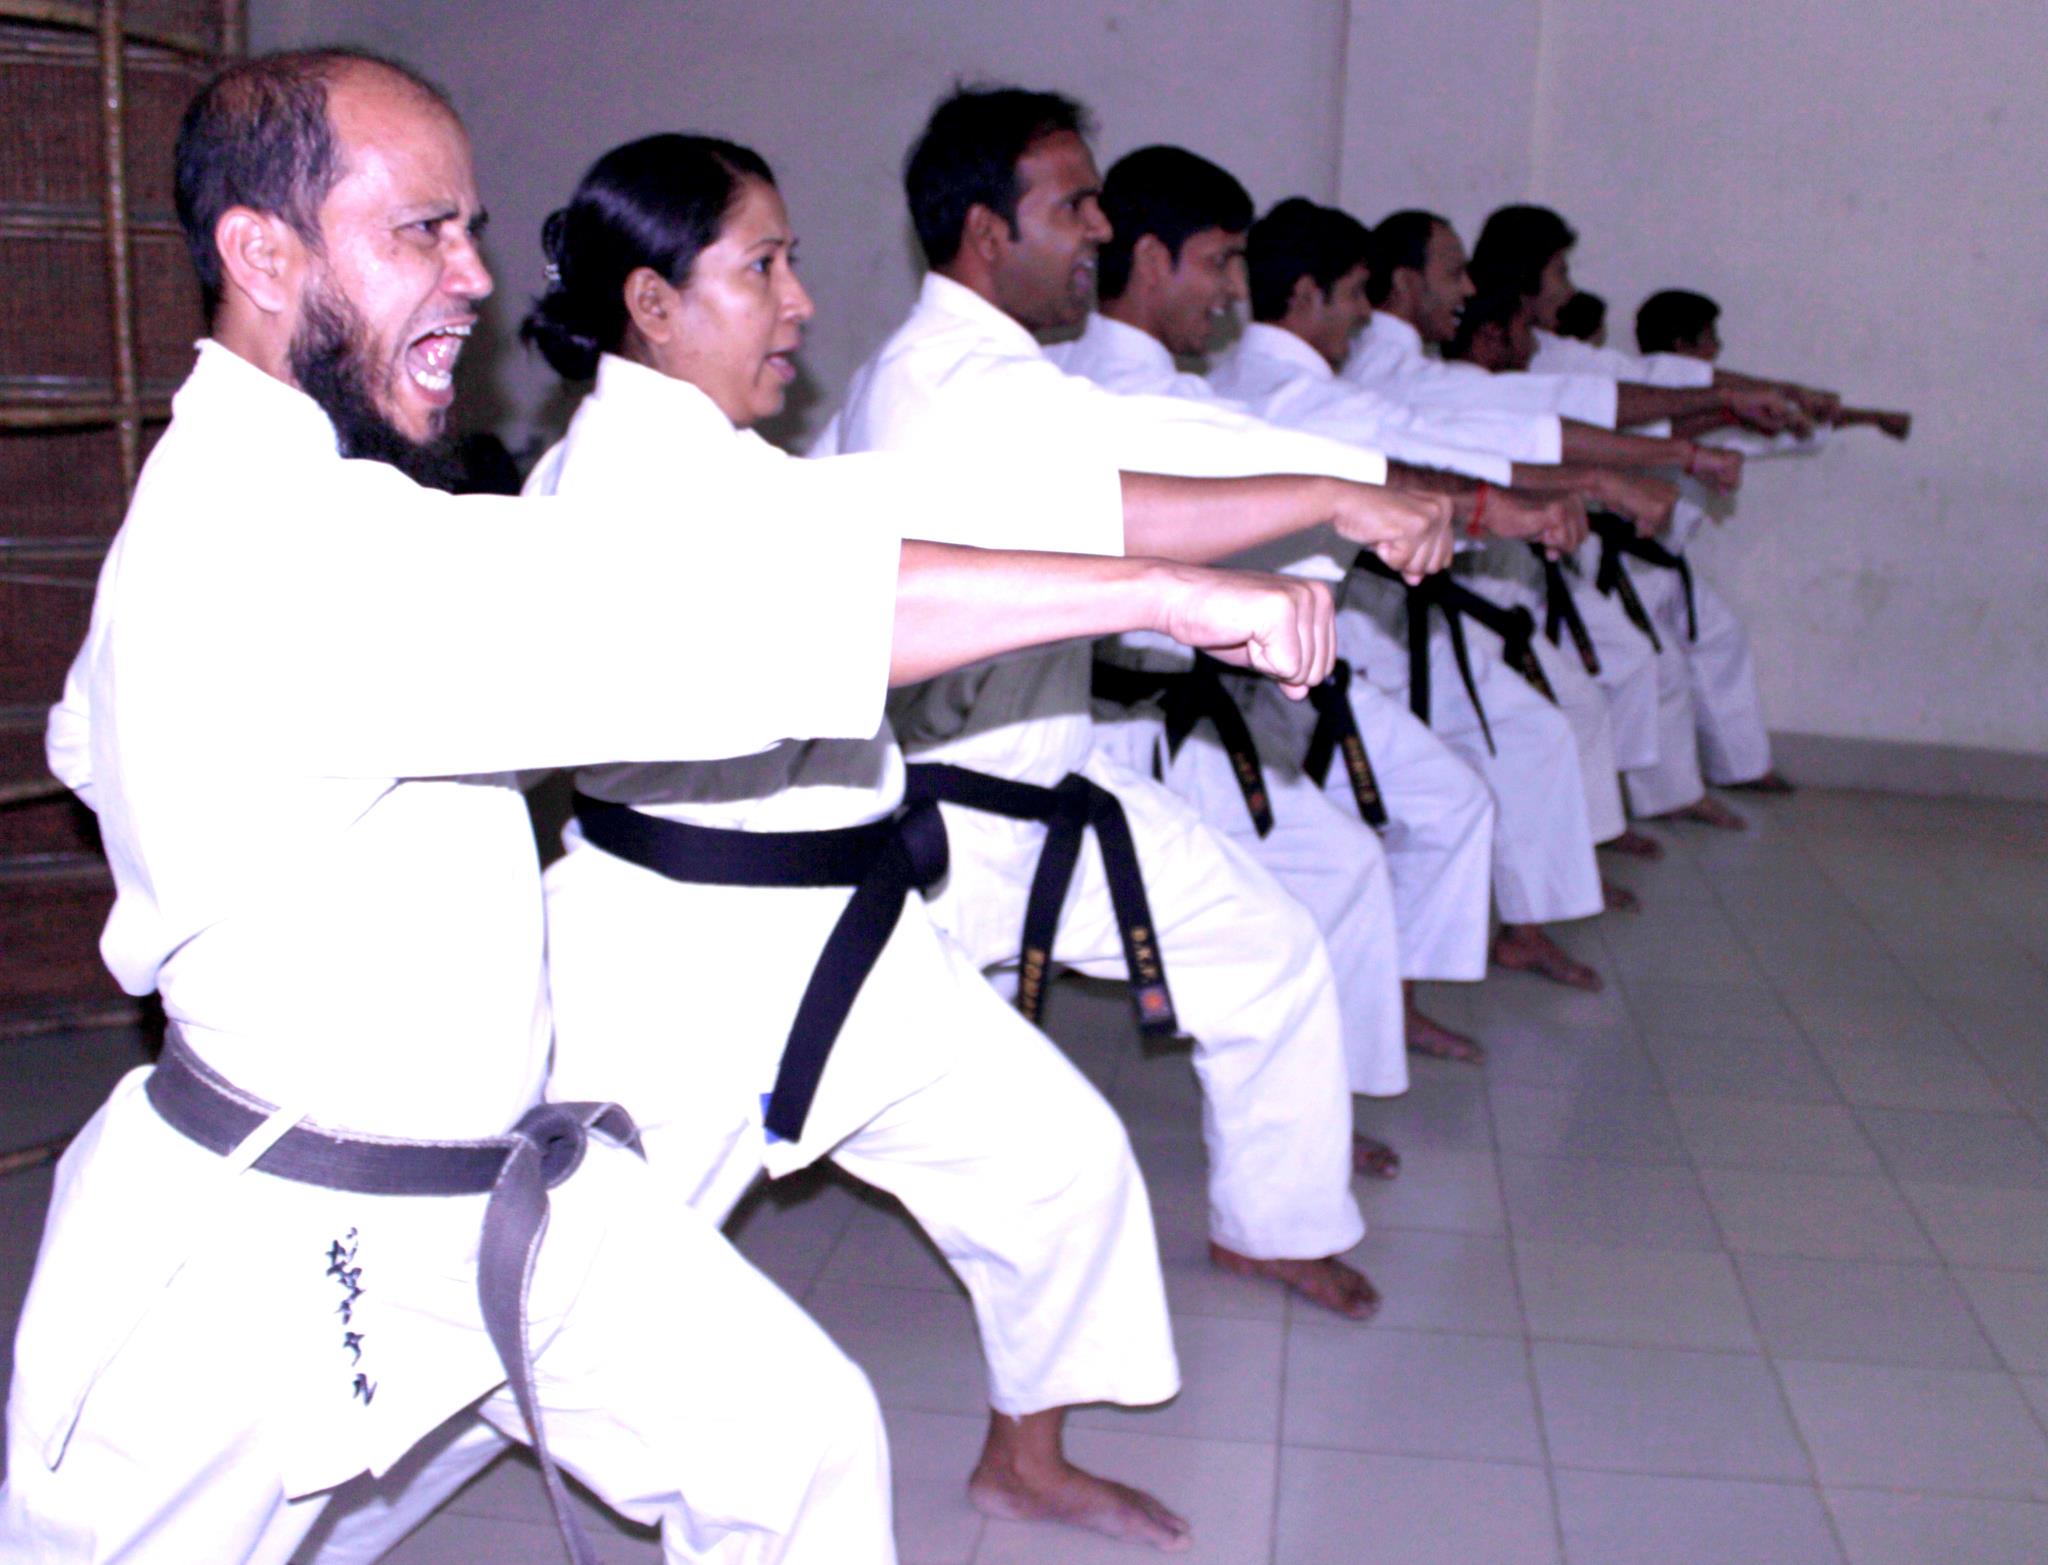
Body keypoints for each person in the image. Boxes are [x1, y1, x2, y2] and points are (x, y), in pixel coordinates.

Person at [0, 53, 1334, 1565]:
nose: (478, 279)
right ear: (263, 252)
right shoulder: (284, 545)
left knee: (799, 1445)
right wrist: (1162, 587)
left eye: (474, 230)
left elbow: (87, 735)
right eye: (421, 234)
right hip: (253, 1237)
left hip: (491, 1175)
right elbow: (759, 613)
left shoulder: (289, 503)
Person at [827, 85, 1458, 1319]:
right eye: (1072, 204)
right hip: (960, 822)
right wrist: (1340, 495)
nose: (1101, 229)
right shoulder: (950, 383)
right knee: (813, 1093)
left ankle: (1272, 1221)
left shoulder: (999, 373)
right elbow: (1129, 508)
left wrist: (1343, 488)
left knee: (1265, 947)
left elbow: (1141, 452)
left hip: (1043, 776)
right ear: (984, 229)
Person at [1055, 143, 1501, 1067]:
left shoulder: (1165, 387)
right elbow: (1299, 475)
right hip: (1107, 722)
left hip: (1183, 705)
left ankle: (1339, 1091)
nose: (1232, 291)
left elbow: (1315, 473)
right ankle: (1317, 1125)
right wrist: (1492, 505)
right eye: (1220, 262)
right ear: (1152, 261)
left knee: (1328, 882)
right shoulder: (1094, 389)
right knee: (1302, 905)